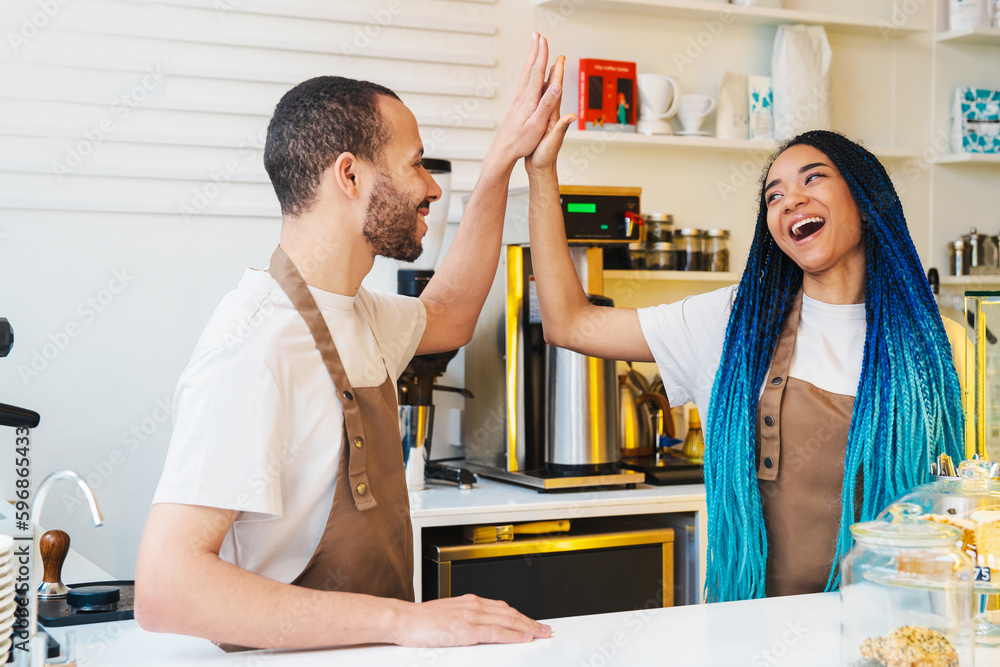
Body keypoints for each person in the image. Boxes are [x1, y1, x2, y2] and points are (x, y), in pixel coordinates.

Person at [135, 34, 566, 650]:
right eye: (417, 163)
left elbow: (448, 314)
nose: (432, 188)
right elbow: (167, 587)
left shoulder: (359, 313)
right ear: (349, 174)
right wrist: (406, 620)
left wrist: (499, 165)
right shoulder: (251, 343)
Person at [524, 121, 965, 603]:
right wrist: (542, 174)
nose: (790, 200)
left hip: (884, 629)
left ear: (864, 197)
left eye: (812, 179)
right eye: (774, 196)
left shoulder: (939, 346)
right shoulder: (732, 321)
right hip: (749, 631)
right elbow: (568, 322)